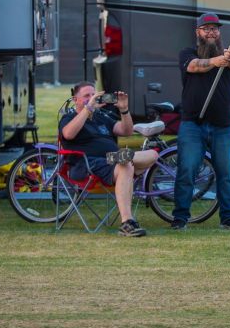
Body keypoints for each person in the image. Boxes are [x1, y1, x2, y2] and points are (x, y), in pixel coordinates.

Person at [59, 81, 159, 237]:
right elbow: (68, 134)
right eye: (86, 95)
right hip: (88, 165)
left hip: (110, 163)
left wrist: (124, 110)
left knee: (153, 154)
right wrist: (88, 108)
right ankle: (127, 223)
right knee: (126, 165)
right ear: (75, 99)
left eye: (94, 95)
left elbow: (126, 131)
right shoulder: (69, 118)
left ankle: (121, 158)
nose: (92, 98)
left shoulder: (101, 117)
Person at [171, 12, 230, 231]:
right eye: (207, 28)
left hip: (223, 125)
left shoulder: (228, 54)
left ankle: (228, 218)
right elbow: (193, 66)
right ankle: (180, 218)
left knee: (226, 173)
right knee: (187, 170)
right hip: (193, 124)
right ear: (198, 32)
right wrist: (214, 61)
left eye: (215, 29)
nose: (211, 32)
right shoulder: (187, 53)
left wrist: (228, 58)